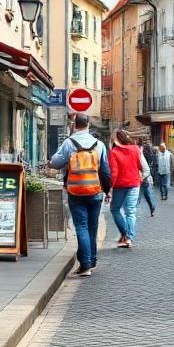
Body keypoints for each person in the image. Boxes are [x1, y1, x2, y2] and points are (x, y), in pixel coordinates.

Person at [50, 113, 111, 278]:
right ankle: (92, 260)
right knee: (92, 226)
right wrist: (107, 191)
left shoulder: (69, 143)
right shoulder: (99, 144)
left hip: (75, 191)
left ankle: (85, 265)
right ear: (88, 125)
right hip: (95, 190)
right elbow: (105, 171)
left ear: (74, 125)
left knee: (81, 227)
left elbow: (55, 163)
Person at [107, 129, 143, 248]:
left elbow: (114, 173)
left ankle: (125, 234)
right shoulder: (136, 149)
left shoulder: (114, 152)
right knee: (131, 211)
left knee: (115, 209)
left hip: (120, 185)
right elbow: (139, 165)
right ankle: (129, 237)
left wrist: (109, 189)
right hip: (134, 183)